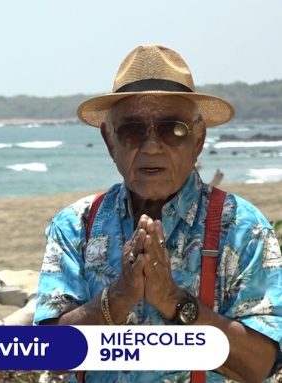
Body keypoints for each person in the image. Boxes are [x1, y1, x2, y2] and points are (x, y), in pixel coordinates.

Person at [33, 45, 282, 383]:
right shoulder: (76, 225)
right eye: (132, 130)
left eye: (173, 129)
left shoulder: (242, 227)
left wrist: (174, 301)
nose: (151, 146)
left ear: (198, 140)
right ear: (109, 140)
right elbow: (50, 353)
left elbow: (261, 364)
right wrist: (119, 296)